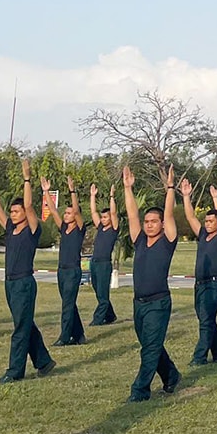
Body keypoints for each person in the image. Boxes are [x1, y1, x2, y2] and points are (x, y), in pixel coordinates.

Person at [0, 157, 56, 383]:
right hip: (10, 282)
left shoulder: (32, 229)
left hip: (24, 283)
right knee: (23, 324)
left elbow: (30, 206)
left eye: (17, 210)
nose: (13, 214)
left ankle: (14, 372)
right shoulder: (10, 228)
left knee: (20, 330)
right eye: (12, 211)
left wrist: (26, 178)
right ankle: (43, 361)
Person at [124, 164, 182, 402]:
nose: (148, 224)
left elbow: (168, 214)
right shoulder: (139, 241)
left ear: (161, 225)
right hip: (139, 303)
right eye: (146, 221)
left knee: (149, 349)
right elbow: (131, 215)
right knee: (152, 345)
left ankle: (140, 391)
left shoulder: (167, 241)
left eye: (153, 221)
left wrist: (170, 187)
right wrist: (128, 188)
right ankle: (171, 376)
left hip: (158, 303)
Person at [181, 178, 217, 366]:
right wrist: (186, 197)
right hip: (199, 283)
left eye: (211, 221)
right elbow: (191, 217)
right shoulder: (203, 234)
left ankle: (199, 357)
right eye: (206, 221)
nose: (207, 223)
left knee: (206, 320)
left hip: (215, 283)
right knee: (205, 318)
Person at [51, 176, 88, 347]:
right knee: (69, 303)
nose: (66, 215)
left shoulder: (80, 228)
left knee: (67, 305)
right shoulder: (64, 228)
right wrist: (45, 192)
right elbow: (52, 211)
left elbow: (77, 211)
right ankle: (79, 335)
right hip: (61, 270)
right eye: (65, 213)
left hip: (73, 270)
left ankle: (65, 337)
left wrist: (72, 190)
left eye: (69, 212)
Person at [88, 184, 119, 326]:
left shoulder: (113, 229)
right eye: (103, 217)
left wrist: (112, 196)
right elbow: (93, 212)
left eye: (105, 217)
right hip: (94, 262)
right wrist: (92, 196)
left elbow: (113, 214)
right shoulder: (100, 227)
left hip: (104, 264)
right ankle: (110, 315)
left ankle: (98, 319)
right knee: (97, 289)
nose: (103, 219)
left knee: (102, 292)